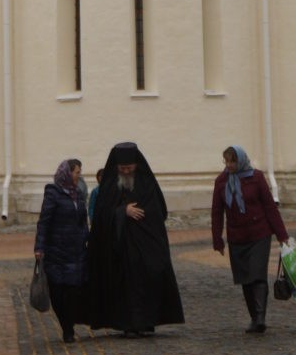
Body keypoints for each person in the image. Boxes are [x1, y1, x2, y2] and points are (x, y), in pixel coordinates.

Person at [88, 142, 184, 336]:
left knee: (149, 280)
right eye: (122, 168)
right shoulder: (109, 185)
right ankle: (129, 324)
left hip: (145, 245)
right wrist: (123, 211)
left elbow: (159, 211)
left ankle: (147, 321)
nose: (126, 171)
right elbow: (101, 215)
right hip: (120, 248)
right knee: (126, 287)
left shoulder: (147, 183)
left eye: (129, 168)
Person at [211, 144, 288, 334]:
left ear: (241, 160)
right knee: (245, 278)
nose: (229, 165)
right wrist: (217, 240)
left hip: (259, 234)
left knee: (257, 274)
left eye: (232, 161)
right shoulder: (221, 181)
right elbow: (217, 212)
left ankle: (261, 317)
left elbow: (270, 207)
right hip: (237, 236)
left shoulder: (257, 177)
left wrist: (282, 235)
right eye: (226, 161)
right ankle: (254, 317)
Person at [34, 159, 90, 344]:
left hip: (76, 251)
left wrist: (85, 237)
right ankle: (66, 327)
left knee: (74, 290)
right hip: (56, 250)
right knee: (57, 291)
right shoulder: (53, 194)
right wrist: (39, 247)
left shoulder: (79, 194)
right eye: (76, 172)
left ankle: (70, 325)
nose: (78, 175)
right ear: (67, 173)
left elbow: (83, 220)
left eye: (79, 172)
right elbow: (44, 222)